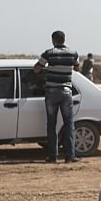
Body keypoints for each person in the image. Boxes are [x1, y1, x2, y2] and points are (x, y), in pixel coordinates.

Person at [33, 30, 80, 163]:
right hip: (66, 92)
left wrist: (45, 69)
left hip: (52, 92)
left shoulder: (49, 53)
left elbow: (36, 69)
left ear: (53, 40)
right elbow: (77, 68)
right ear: (64, 40)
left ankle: (52, 156)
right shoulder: (73, 53)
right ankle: (70, 156)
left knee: (51, 124)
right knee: (69, 124)